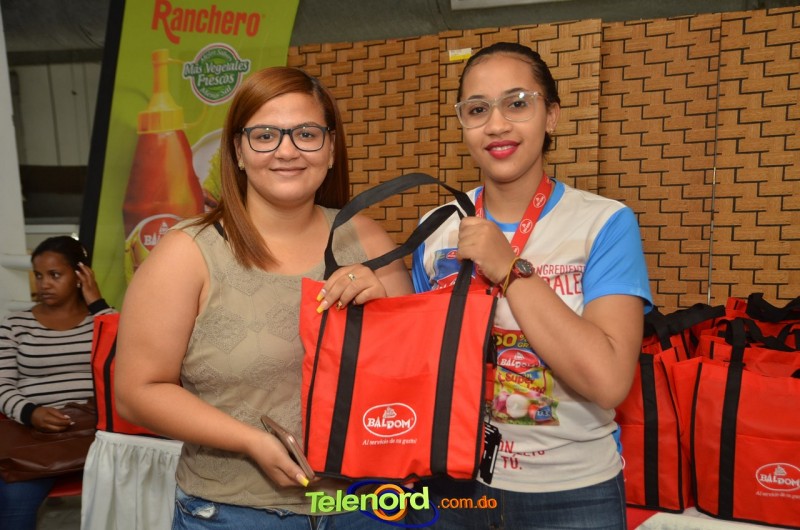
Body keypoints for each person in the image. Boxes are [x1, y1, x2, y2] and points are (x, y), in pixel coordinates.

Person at [114, 66, 413, 529]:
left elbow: (414, 375)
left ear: (331, 148)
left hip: (366, 507)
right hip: (238, 513)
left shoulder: (368, 239)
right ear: (238, 151)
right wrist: (250, 440)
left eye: (306, 134)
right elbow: (137, 393)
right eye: (265, 135)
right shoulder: (187, 253)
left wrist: (384, 313)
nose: (287, 151)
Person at [407, 42, 653, 529]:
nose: (496, 124)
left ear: (552, 116)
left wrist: (509, 266)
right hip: (453, 482)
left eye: (517, 103)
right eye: (478, 109)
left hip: (572, 493)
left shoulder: (604, 223)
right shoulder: (436, 228)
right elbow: (418, 360)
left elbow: (608, 382)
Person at [0, 235, 113, 530]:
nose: (44, 284)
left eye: (54, 275)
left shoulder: (103, 320)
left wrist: (98, 304)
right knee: (13, 503)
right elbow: (2, 385)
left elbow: (126, 365)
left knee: (141, 496)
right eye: (38, 275)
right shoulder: (14, 324)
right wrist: (31, 413)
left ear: (80, 275)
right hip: (35, 439)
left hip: (98, 435)